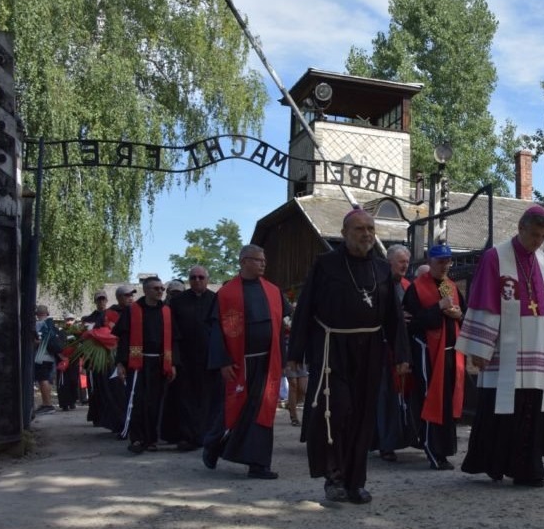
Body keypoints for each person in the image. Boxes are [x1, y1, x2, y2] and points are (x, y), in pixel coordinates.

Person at [287, 208, 410, 503]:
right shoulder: (326, 265)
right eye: (359, 229)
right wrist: (296, 352)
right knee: (336, 412)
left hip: (370, 350)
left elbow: (393, 315)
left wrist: (401, 354)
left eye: (370, 228)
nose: (366, 234)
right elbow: (305, 309)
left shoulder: (382, 269)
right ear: (344, 233)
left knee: (364, 417)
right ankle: (335, 478)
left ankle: (356, 482)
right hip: (333, 348)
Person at [455, 205, 544, 488]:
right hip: (503, 348)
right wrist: (479, 349)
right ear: (520, 228)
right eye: (534, 236)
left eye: (543, 237)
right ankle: (494, 464)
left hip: (537, 347)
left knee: (530, 409)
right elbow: (484, 301)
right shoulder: (496, 257)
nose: (537, 242)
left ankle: (527, 467)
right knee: (500, 409)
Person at [202, 245, 290, 480]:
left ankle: (258, 464)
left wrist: (283, 358)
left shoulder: (273, 291)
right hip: (239, 363)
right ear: (243, 262)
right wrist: (222, 361)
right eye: (257, 260)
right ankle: (213, 444)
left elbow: (281, 327)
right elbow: (217, 331)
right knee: (234, 409)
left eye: (264, 260)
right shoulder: (227, 293)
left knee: (264, 410)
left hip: (267, 362)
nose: (263, 264)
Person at [404, 243, 466, 470]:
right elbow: (412, 323)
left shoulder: (449, 286)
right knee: (433, 399)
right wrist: (438, 308)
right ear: (430, 262)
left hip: (451, 353)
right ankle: (432, 449)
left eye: (448, 261)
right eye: (440, 261)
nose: (445, 265)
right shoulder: (417, 288)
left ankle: (444, 450)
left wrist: (459, 314)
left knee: (448, 402)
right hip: (428, 354)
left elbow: (461, 315)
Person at [113, 277, 178, 453]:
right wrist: (120, 363)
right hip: (138, 362)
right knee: (136, 401)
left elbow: (173, 340)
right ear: (146, 290)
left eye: (162, 289)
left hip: (159, 362)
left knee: (154, 403)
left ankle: (151, 440)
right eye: (156, 288)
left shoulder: (166, 311)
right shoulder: (132, 311)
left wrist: (173, 364)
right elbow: (123, 339)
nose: (160, 291)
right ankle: (136, 439)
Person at [374, 243, 418, 461]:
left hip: (405, 349)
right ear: (389, 262)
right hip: (382, 349)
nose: (405, 265)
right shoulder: (378, 283)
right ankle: (385, 443)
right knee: (384, 398)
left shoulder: (409, 285)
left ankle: (402, 439)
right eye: (401, 261)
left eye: (407, 262)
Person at [168, 265, 217, 452]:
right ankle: (187, 436)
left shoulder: (215, 300)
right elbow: (171, 331)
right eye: (193, 277)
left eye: (201, 277)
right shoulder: (178, 301)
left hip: (208, 358)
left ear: (207, 279)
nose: (197, 280)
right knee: (186, 399)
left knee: (207, 399)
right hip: (185, 358)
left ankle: (206, 436)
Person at [84, 287, 133, 434]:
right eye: (127, 295)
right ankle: (119, 423)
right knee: (116, 393)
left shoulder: (137, 311)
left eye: (131, 295)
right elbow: (98, 335)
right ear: (118, 298)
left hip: (134, 356)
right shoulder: (108, 314)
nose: (130, 298)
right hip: (113, 358)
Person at [33, 304, 61, 415]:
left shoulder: (38, 324)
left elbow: (36, 341)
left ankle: (48, 405)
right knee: (47, 380)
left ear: (37, 314)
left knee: (42, 379)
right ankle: (46, 403)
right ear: (47, 313)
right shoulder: (51, 324)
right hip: (50, 356)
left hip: (40, 356)